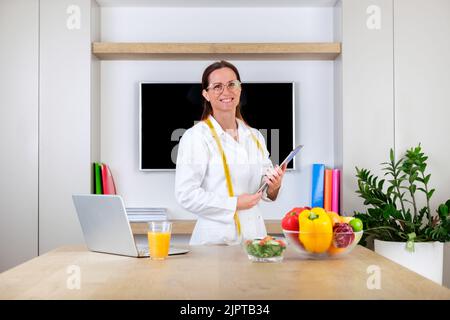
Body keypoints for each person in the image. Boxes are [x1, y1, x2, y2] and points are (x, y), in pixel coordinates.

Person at [175, 60, 286, 246]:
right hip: (216, 243)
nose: (226, 92)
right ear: (206, 94)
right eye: (217, 86)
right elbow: (186, 195)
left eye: (232, 84)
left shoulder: (255, 136)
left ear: (240, 89)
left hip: (256, 237)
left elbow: (264, 190)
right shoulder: (196, 137)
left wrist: (274, 186)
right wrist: (235, 204)